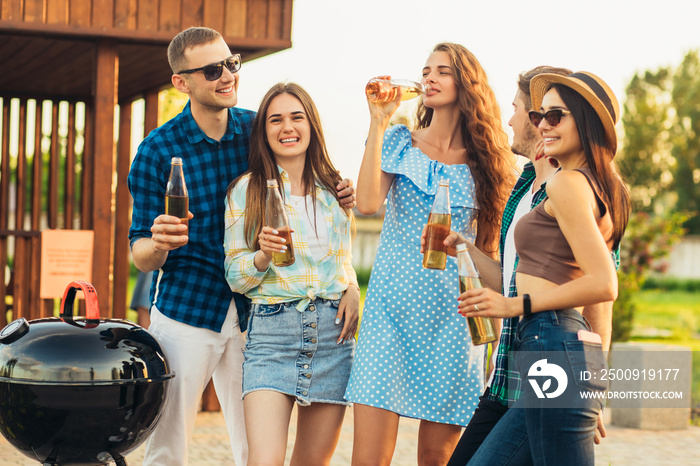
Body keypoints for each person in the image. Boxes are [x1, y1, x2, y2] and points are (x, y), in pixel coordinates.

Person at [128, 27, 355, 466]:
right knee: (168, 445)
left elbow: (310, 174)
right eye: (213, 70)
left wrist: (341, 190)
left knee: (255, 449)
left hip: (257, 313)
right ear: (182, 83)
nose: (228, 75)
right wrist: (159, 244)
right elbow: (140, 254)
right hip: (187, 311)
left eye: (232, 63)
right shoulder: (157, 150)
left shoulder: (257, 127)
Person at [345, 42, 516, 465]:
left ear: (467, 83)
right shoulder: (399, 141)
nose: (429, 78)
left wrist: (492, 342)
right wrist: (379, 122)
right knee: (368, 458)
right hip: (389, 313)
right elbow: (366, 204)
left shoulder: (489, 166)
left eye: (442, 70)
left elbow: (491, 259)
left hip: (454, 321)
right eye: (426, 71)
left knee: (437, 458)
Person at [444, 66, 617, 465]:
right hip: (511, 369)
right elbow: (513, 278)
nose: (533, 123)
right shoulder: (523, 187)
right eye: (539, 115)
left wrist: (594, 387)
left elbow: (602, 290)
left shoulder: (572, 184)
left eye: (547, 115)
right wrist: (466, 251)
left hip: (549, 353)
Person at [223, 82, 359, 466]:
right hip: (272, 339)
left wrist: (352, 288)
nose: (287, 127)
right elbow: (236, 276)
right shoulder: (245, 192)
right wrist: (263, 256)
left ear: (311, 125)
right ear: (264, 131)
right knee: (263, 462)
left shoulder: (334, 193)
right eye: (276, 119)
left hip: (334, 338)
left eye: (297, 117)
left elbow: (342, 261)